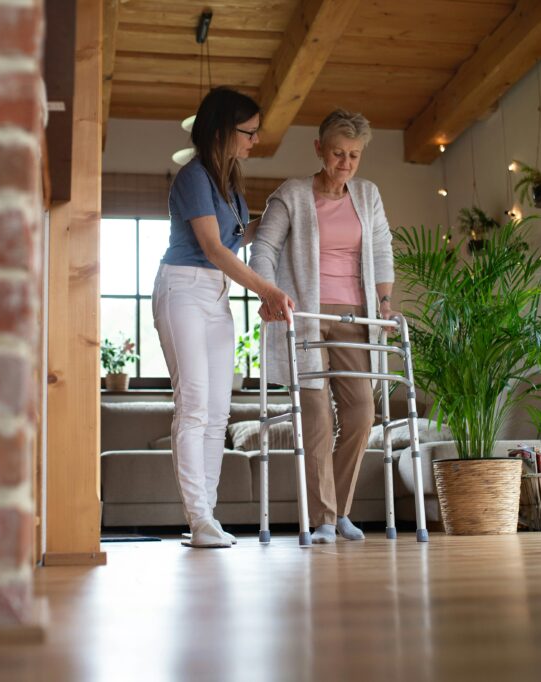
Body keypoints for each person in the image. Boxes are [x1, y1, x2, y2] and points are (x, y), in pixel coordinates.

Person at [153, 87, 294, 548]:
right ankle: (198, 519)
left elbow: (235, 237)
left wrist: (278, 216)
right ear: (221, 129)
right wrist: (267, 289)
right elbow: (213, 249)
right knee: (193, 406)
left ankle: (206, 517)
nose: (255, 141)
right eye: (249, 132)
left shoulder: (229, 182)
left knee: (218, 413)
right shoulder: (193, 176)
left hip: (216, 296)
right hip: (183, 290)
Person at [250, 109, 394, 544]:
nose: (345, 163)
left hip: (354, 315)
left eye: (354, 155)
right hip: (307, 316)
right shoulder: (292, 194)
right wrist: (267, 293)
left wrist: (384, 303)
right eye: (337, 153)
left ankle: (341, 509)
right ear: (318, 149)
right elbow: (265, 247)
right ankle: (324, 518)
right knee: (314, 418)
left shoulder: (367, 195)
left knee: (361, 413)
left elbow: (382, 249)